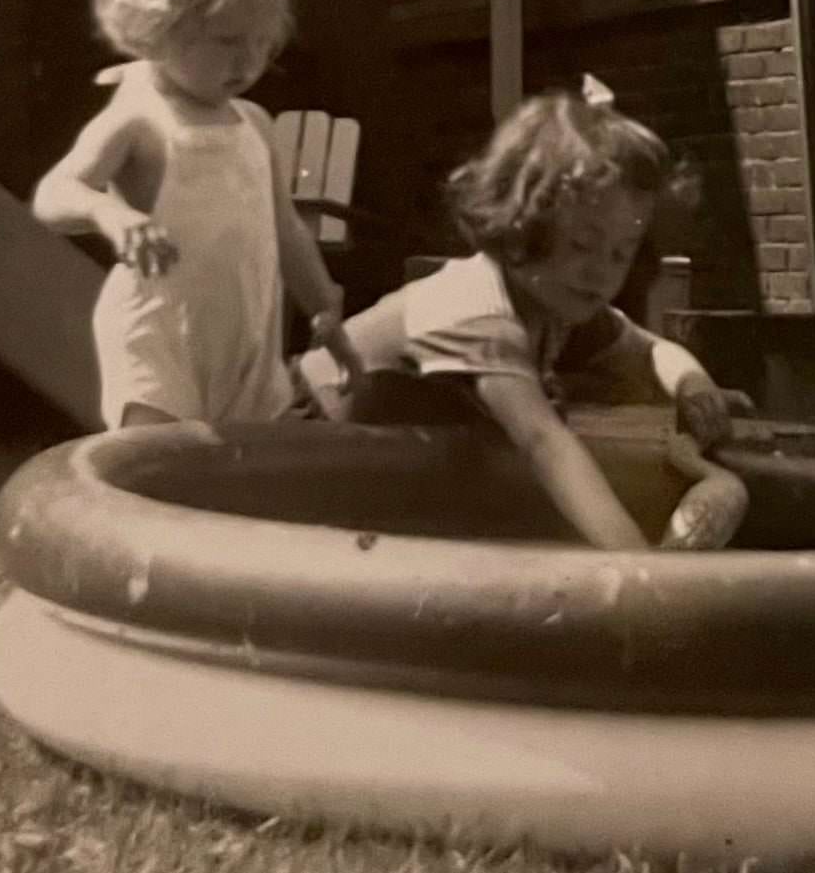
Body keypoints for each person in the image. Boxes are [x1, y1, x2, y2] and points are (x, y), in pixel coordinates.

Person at [296, 87, 749, 551]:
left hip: (387, 470)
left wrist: (694, 385)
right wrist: (640, 572)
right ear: (521, 227)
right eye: (581, 244)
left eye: (621, 253)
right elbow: (543, 444)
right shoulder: (473, 310)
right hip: (299, 449)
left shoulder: (555, 302)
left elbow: (651, 350)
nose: (601, 271)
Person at [32, 0, 360, 430]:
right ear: (156, 29)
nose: (248, 61)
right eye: (229, 42)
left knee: (247, 468)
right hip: (158, 337)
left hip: (246, 342)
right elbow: (53, 194)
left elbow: (286, 230)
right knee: (160, 468)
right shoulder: (140, 119)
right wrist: (111, 213)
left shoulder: (254, 123)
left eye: (261, 42)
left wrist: (325, 306)